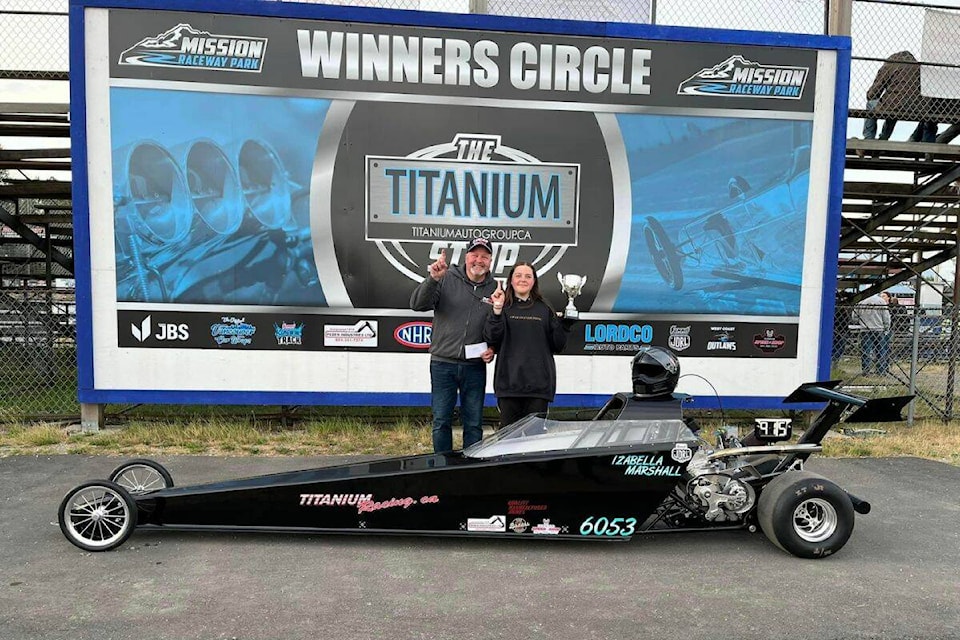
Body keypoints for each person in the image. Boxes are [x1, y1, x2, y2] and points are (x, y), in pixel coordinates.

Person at [410, 237, 498, 453]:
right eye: (475, 255)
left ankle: (470, 470)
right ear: (466, 257)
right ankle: (442, 467)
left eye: (484, 256)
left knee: (474, 423)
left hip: (474, 366)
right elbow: (417, 305)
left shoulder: (496, 288)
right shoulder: (446, 277)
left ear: (491, 260)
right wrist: (432, 279)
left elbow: (498, 326)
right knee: (441, 421)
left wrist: (493, 348)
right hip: (442, 364)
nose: (479, 260)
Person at [483, 262, 569, 429]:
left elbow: (558, 345)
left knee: (534, 441)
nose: (523, 279)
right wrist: (497, 310)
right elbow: (492, 338)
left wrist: (564, 326)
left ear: (534, 281)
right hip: (509, 385)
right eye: (518, 275)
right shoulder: (502, 306)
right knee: (507, 441)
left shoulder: (545, 308)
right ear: (511, 280)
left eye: (528, 276)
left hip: (538, 387)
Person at [862, 51, 929, 143]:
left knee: (871, 105)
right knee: (893, 108)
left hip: (894, 104)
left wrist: (871, 95)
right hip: (918, 107)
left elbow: (874, 92)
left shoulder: (890, 65)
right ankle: (884, 138)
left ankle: (869, 139)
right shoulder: (919, 67)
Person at [854, 292, 892, 375]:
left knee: (866, 351)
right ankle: (881, 371)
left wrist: (860, 322)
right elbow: (886, 316)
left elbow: (854, 316)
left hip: (865, 329)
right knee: (881, 350)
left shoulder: (861, 302)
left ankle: (866, 370)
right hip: (879, 329)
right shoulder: (881, 301)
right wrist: (886, 327)